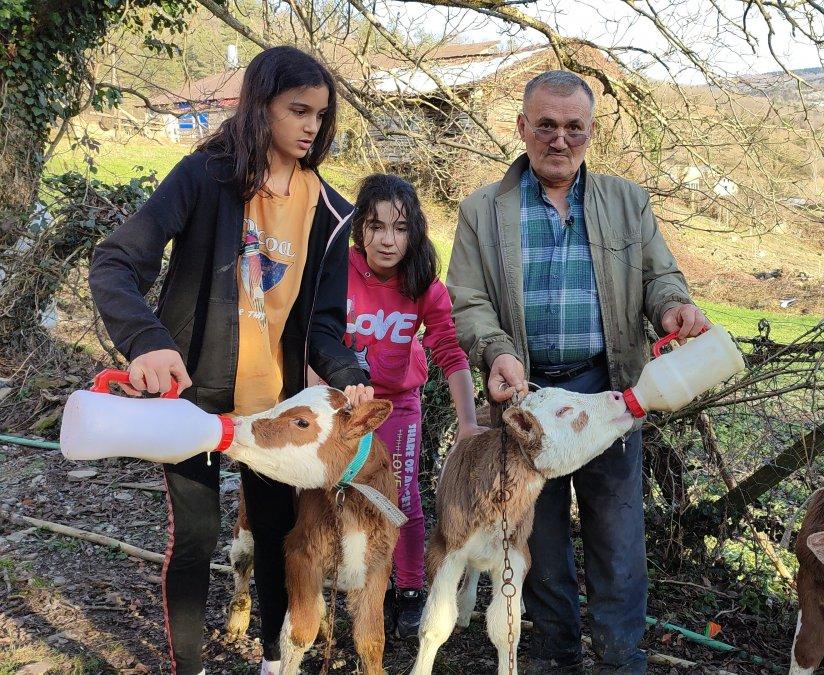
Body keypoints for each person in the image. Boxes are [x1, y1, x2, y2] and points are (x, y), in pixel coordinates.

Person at [89, 47, 373, 675]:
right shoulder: (204, 176)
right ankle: (185, 666)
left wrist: (350, 376)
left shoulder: (329, 212)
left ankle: (276, 661)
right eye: (297, 110)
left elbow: (321, 325)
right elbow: (115, 261)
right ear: (258, 107)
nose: (310, 127)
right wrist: (146, 341)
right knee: (193, 538)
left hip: (272, 411)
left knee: (275, 538)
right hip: (191, 402)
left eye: (320, 116)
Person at [446, 70, 709, 673]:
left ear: (591, 132)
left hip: (608, 393)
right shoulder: (482, 211)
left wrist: (672, 306)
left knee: (617, 538)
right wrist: (496, 350)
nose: (559, 140)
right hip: (528, 400)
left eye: (573, 128)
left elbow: (658, 276)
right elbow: (467, 299)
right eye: (546, 126)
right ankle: (553, 656)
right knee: (536, 537)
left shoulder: (626, 201)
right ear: (522, 128)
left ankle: (621, 659)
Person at [343, 173, 486, 639]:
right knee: (340, 492)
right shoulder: (336, 271)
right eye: (376, 226)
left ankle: (408, 589)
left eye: (400, 228)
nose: (387, 239)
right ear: (359, 229)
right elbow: (310, 333)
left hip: (398, 404)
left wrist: (467, 423)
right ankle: (361, 581)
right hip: (341, 403)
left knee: (399, 495)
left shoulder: (423, 284)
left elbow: (449, 349)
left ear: (414, 232)